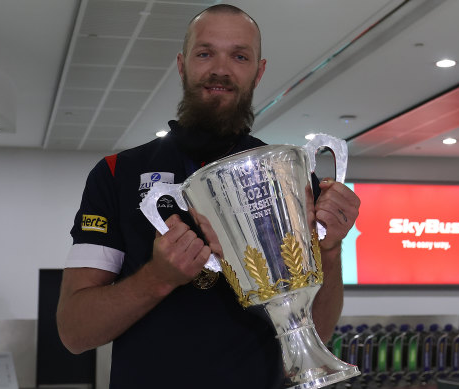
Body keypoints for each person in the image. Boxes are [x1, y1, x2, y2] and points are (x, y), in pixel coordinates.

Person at [56, 4, 361, 389]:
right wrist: (157, 278)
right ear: (182, 66)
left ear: (258, 71)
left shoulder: (290, 179)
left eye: (239, 55)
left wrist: (330, 251)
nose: (221, 69)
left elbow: (316, 332)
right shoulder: (117, 174)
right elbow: (74, 332)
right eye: (205, 53)